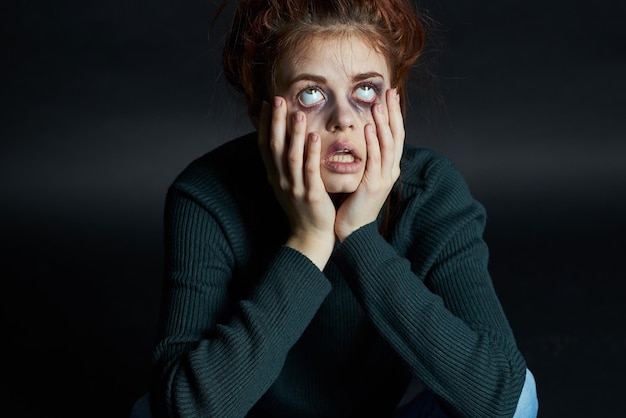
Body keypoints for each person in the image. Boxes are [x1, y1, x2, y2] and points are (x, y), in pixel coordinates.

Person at [145, 0, 539, 417]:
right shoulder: (206, 195)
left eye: (366, 90)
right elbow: (186, 409)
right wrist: (309, 241)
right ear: (261, 111)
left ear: (395, 103)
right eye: (311, 94)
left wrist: (358, 236)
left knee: (518, 394)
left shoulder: (429, 190)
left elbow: (498, 398)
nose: (343, 119)